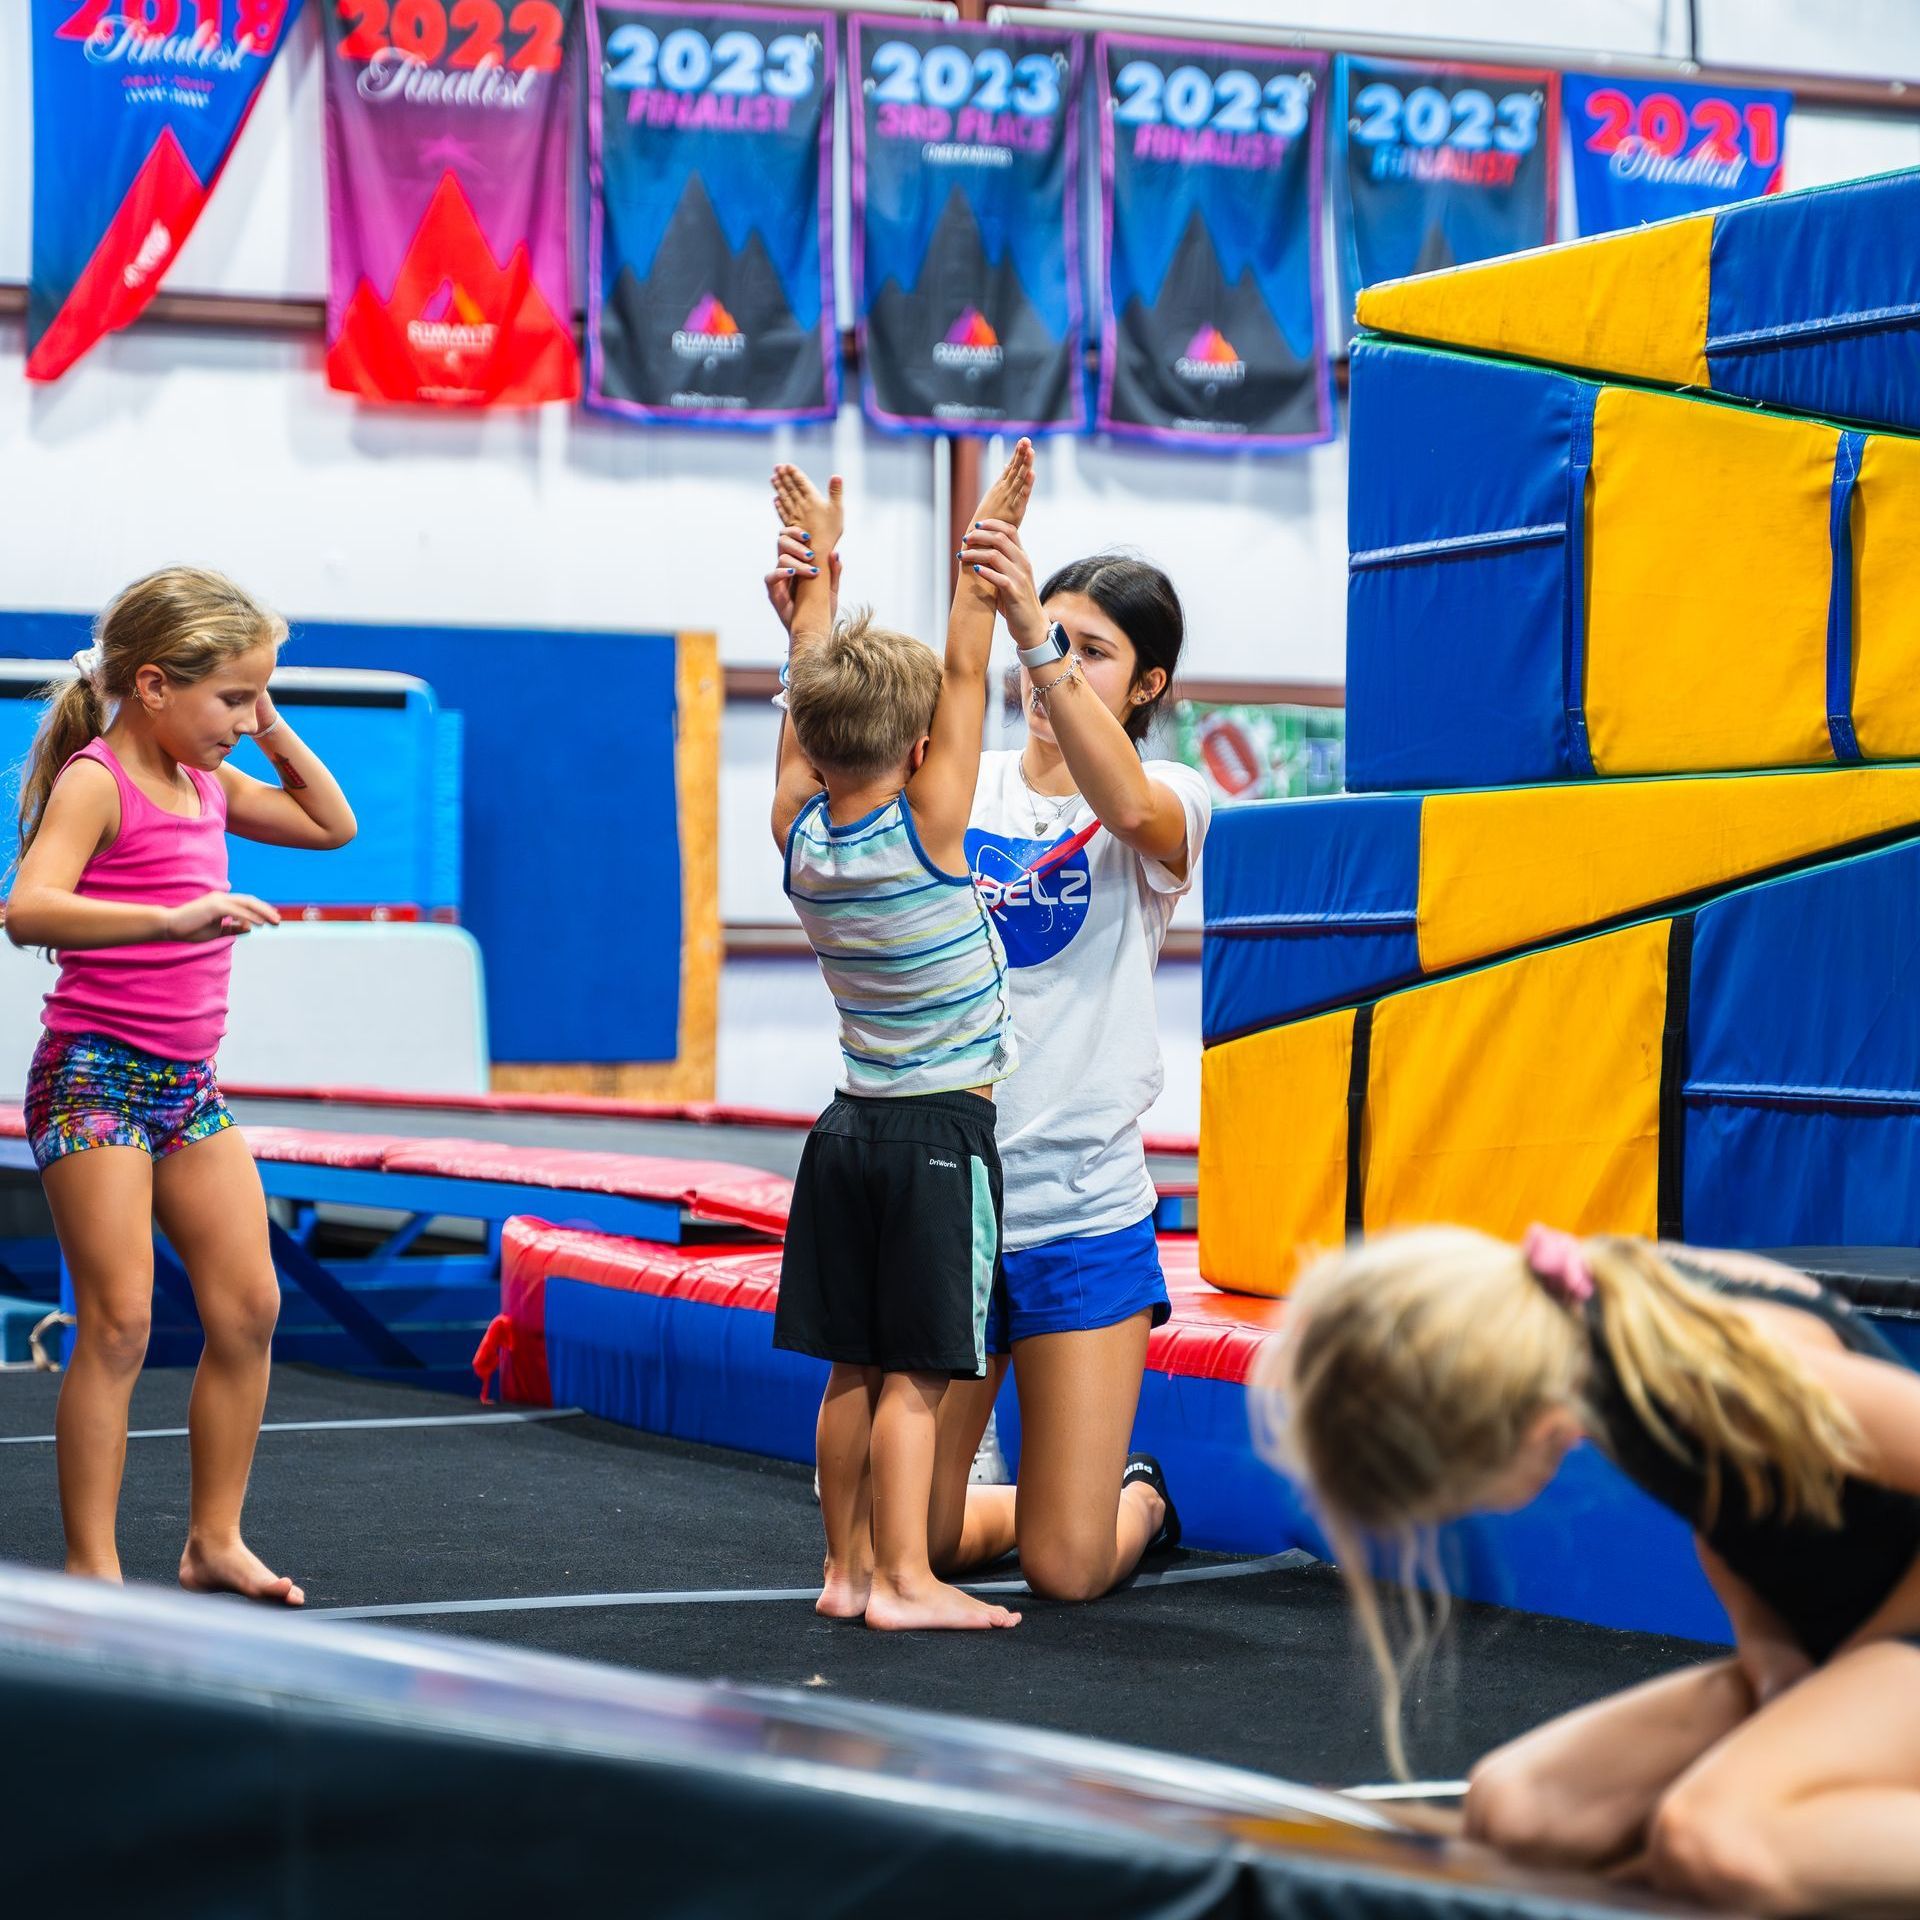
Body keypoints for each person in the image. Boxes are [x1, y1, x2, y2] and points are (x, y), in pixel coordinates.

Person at [767, 488, 1207, 1605]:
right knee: (895, 1540)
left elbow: (1128, 809)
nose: (1052, 664)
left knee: (1065, 1568)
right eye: (1052, 636)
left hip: (1079, 1207)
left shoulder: (1173, 796)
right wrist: (805, 626)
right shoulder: (960, 787)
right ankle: (975, 1503)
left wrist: (1023, 627)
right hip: (949, 1190)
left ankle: (1136, 1498)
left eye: (1092, 651)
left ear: (1146, 685)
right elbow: (839, 759)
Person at [1258, 1224, 1920, 1916]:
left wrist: (1858, 1659)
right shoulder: (1606, 1334)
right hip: (1847, 1632)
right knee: (1520, 1813)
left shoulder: (1714, 1375)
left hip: (1896, 1627)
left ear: (1530, 1435)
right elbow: (1724, 1505)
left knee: (1714, 1842)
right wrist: (1768, 1647)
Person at [6, 566, 357, 1607]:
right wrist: (169, 920)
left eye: (261, 697)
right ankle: (93, 1573)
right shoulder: (96, 780)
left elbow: (331, 826)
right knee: (118, 1323)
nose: (248, 723)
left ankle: (213, 1540)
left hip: (185, 1087)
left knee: (249, 1306)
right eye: (234, 699)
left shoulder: (207, 780)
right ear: (152, 686)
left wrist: (273, 722)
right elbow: (29, 909)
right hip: (92, 1082)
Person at [767, 446, 1032, 1632]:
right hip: (938, 1134)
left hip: (847, 1133)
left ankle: (841, 1573)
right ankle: (909, 1581)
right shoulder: (930, 830)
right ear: (922, 752)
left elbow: (805, 704)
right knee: (921, 1372)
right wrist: (986, 551)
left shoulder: (801, 837)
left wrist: (816, 584)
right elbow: (967, 667)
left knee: (850, 1369)